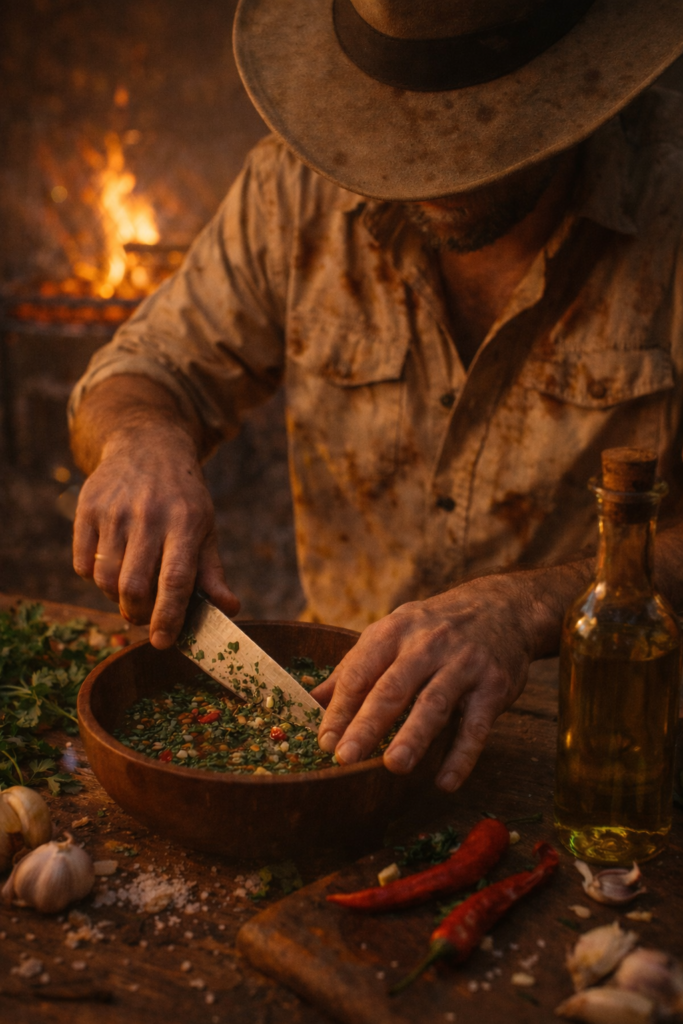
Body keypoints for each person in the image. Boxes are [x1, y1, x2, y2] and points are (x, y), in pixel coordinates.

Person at [69, 0, 683, 792]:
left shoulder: (670, 196)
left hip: (607, 752)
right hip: (343, 737)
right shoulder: (294, 190)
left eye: (479, 130)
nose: (431, 171)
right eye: (403, 135)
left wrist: (528, 607)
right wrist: (139, 440)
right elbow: (143, 371)